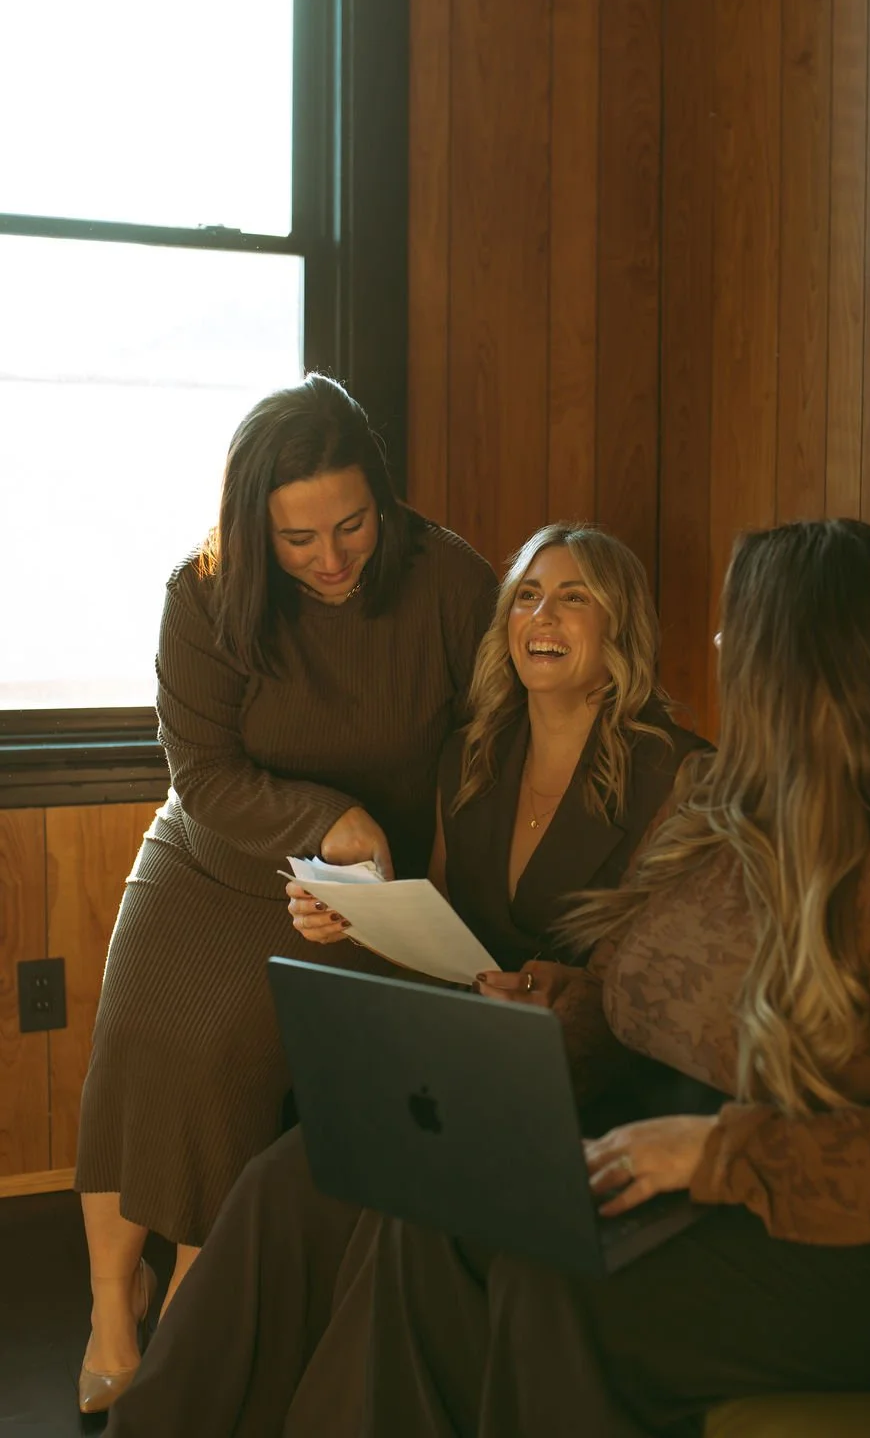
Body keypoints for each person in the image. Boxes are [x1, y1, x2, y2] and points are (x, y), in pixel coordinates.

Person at [358, 518, 870, 1438]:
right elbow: (683, 989)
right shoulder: (747, 811)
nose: (716, 645)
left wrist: (718, 1154)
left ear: (801, 658)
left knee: (555, 1286)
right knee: (437, 1220)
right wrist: (580, 1003)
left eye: (737, 629)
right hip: (750, 1155)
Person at [106, 521, 710, 1437]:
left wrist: (571, 993)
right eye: (528, 596)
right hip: (459, 1055)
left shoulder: (679, 772)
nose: (543, 616)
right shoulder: (474, 751)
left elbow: (675, 969)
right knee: (282, 1181)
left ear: (619, 630)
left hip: (585, 1082)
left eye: (575, 597)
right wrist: (354, 914)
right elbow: (433, 914)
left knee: (404, 1211)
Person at [73, 373, 497, 1414]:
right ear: (255, 531)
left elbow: (486, 751)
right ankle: (108, 1310)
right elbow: (203, 775)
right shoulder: (204, 592)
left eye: (351, 525)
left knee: (231, 1060)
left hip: (368, 880)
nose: (333, 559)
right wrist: (322, 823)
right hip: (215, 856)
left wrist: (382, 869)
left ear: (383, 500)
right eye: (299, 541)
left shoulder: (450, 582)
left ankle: (193, 1312)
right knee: (147, 1034)